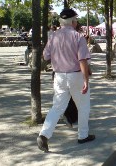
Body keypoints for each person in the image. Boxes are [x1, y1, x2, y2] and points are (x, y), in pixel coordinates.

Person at [37, 9, 95, 153]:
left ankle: (44, 134)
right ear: (73, 21)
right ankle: (83, 135)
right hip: (75, 75)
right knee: (83, 106)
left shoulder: (53, 36)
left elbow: (45, 56)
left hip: (59, 76)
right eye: (76, 20)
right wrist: (86, 80)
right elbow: (82, 60)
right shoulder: (78, 36)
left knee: (57, 107)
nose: (77, 22)